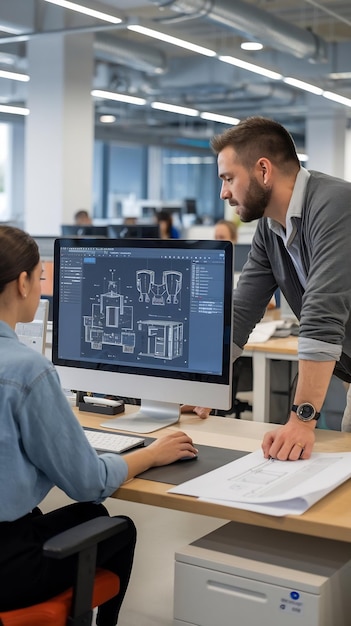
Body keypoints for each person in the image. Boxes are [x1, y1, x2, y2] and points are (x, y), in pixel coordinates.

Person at [0, 226, 197, 622]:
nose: (41, 288)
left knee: (89, 518)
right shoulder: (27, 371)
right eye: (40, 278)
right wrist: (151, 455)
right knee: (116, 527)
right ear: (22, 283)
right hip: (9, 571)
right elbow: (88, 482)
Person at [208, 115, 351, 462]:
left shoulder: (336, 204)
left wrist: (302, 419)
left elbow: (323, 310)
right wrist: (207, 383)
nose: (224, 192)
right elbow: (241, 310)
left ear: (263, 170)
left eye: (229, 178)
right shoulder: (271, 228)